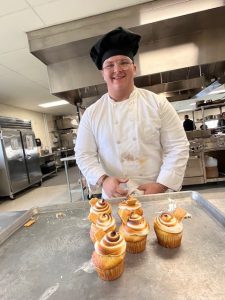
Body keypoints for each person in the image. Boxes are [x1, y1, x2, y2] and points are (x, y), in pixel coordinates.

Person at [75, 27, 189, 198]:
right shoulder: (92, 114)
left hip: (154, 191)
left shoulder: (158, 104)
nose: (117, 69)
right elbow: (84, 154)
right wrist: (104, 180)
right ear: (103, 73)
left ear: (134, 68)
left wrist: (162, 184)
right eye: (110, 65)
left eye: (123, 62)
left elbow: (178, 147)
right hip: (115, 196)